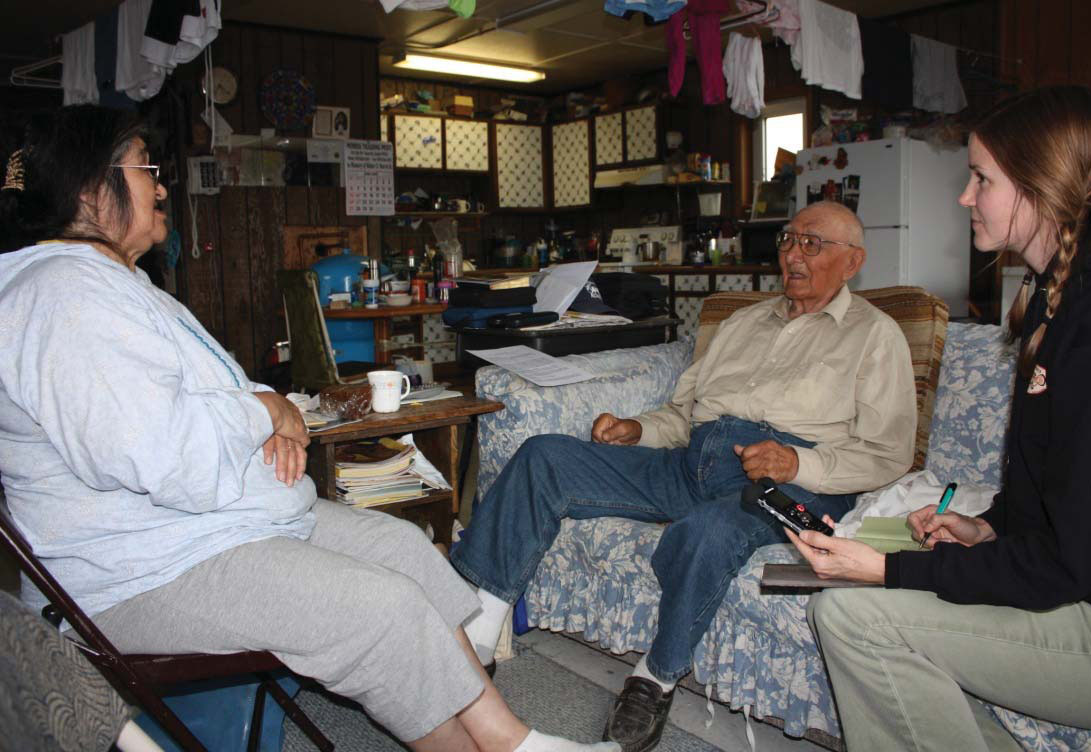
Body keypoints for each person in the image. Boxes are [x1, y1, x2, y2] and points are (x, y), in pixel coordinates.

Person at [0, 105, 619, 752]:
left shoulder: (113, 285)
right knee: (383, 610)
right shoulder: (63, 301)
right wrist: (263, 413)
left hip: (218, 525)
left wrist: (265, 402)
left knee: (406, 551)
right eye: (143, 169)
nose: (159, 186)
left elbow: (206, 393)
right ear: (89, 192)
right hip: (144, 572)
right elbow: (157, 451)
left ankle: (511, 740)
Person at [451, 200, 919, 751]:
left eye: (812, 243)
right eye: (788, 240)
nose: (793, 254)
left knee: (708, 531)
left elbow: (890, 453)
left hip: (789, 484)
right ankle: (479, 633)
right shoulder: (743, 323)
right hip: (692, 463)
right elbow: (683, 415)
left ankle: (656, 675)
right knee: (544, 456)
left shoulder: (875, 334)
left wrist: (799, 463)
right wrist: (636, 429)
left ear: (853, 261)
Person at [788, 86, 1091, 751]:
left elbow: (1068, 564)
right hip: (1090, 592)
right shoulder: (1056, 299)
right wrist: (986, 526)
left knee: (856, 614)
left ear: (1042, 186)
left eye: (981, 179)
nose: (965, 197)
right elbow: (1073, 499)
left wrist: (885, 570)